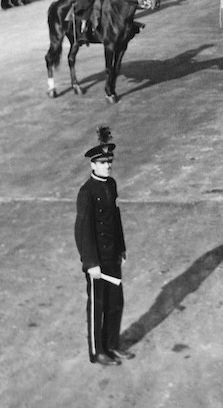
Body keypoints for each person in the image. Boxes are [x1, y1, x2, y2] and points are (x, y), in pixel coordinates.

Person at [74, 127, 133, 366]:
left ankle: (111, 345)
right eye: (102, 162)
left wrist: (121, 248)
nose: (108, 166)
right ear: (92, 165)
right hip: (97, 261)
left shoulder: (111, 185)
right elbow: (82, 230)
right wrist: (90, 263)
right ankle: (96, 351)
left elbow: (115, 218)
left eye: (109, 162)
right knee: (97, 307)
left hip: (112, 256)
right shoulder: (86, 192)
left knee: (116, 303)